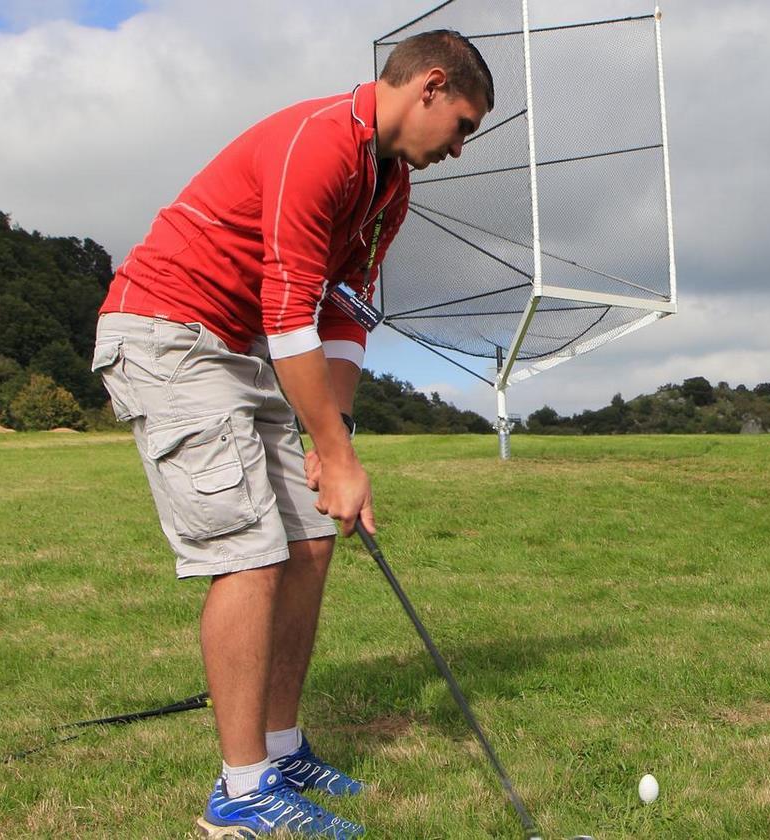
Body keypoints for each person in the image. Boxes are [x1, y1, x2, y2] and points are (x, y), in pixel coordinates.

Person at [91, 30, 493, 837]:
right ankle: (239, 798)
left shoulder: (390, 189)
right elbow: (287, 318)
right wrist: (337, 457)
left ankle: (278, 747)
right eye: (462, 125)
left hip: (237, 346)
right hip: (166, 332)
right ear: (430, 87)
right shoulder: (320, 147)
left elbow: (341, 313)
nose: (458, 148)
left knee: (311, 534)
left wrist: (334, 439)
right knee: (246, 550)